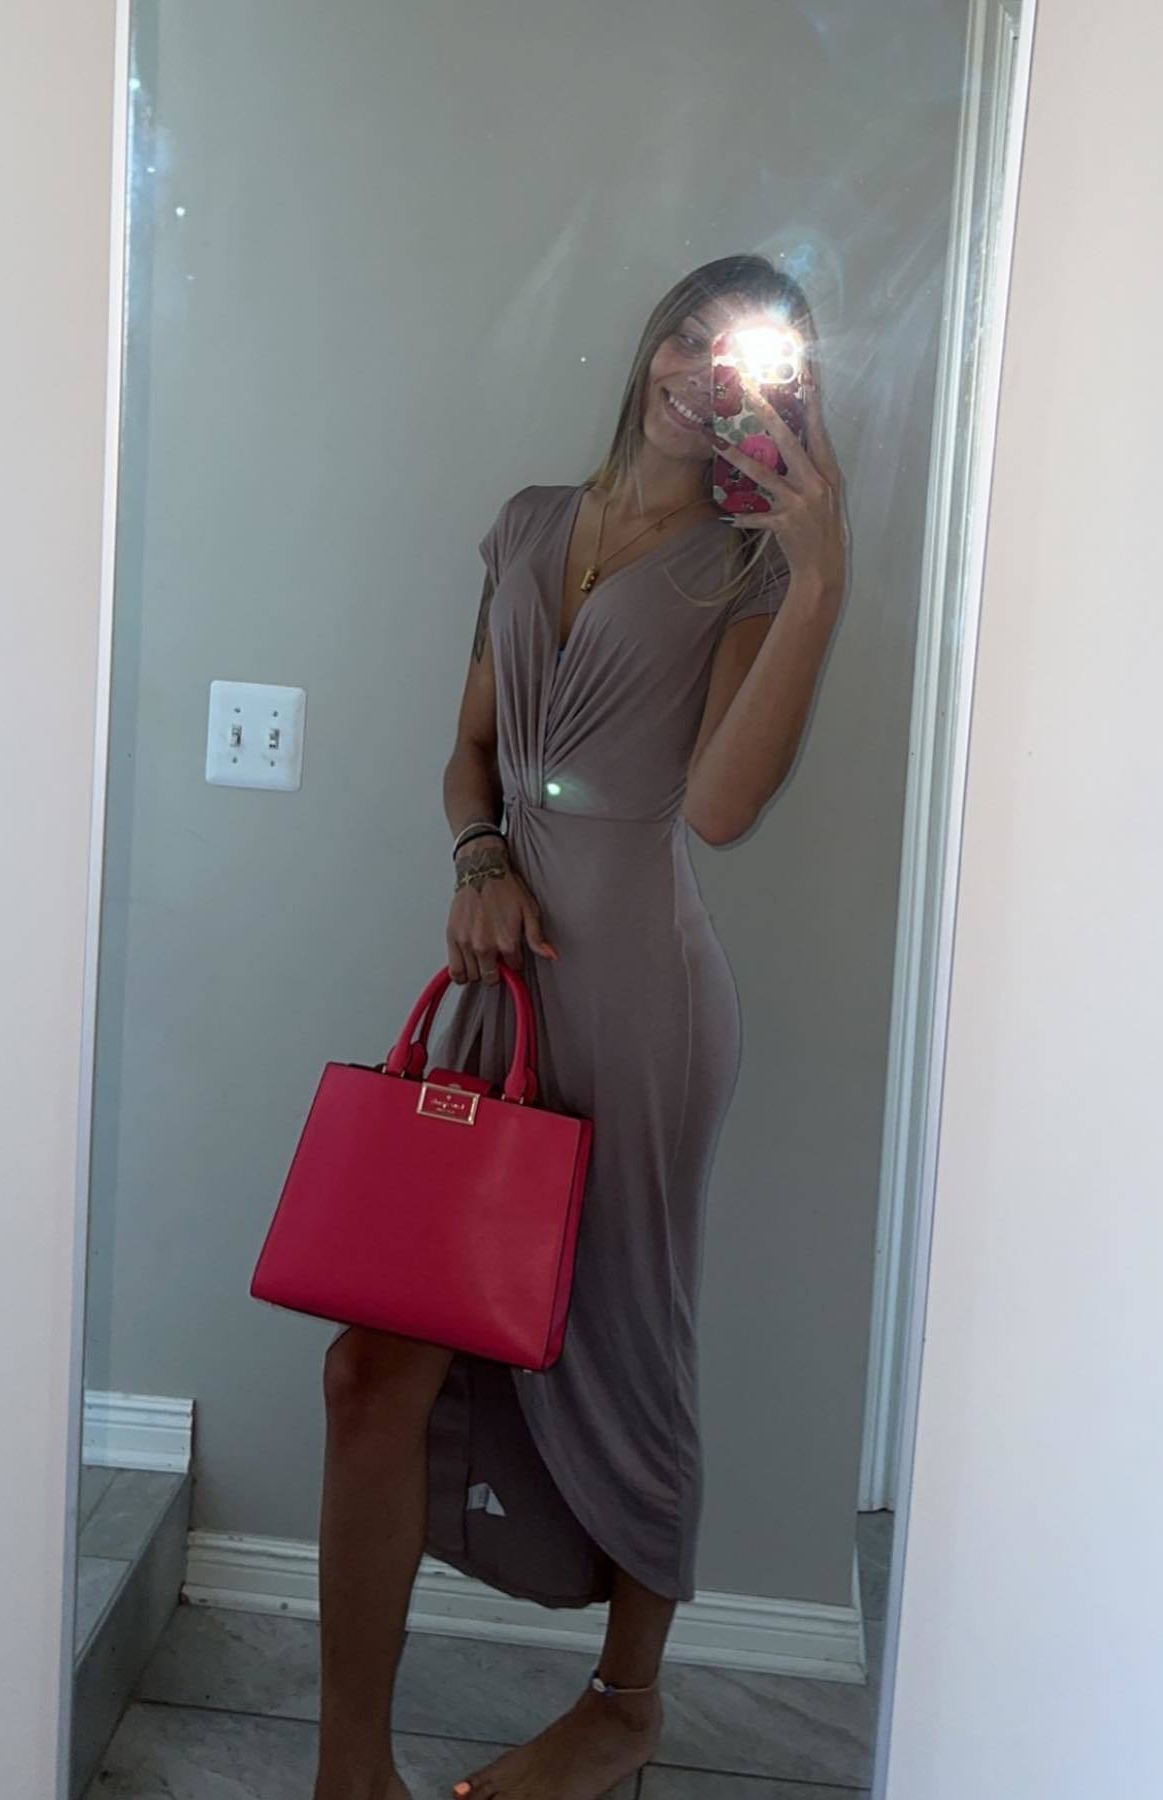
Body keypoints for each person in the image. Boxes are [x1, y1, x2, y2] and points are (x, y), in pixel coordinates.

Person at [311, 254, 849, 1800]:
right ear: (652, 344)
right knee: (374, 1364)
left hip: (641, 998)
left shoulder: (748, 569)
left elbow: (722, 809)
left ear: (783, 396)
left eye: (745, 355)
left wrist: (820, 576)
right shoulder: (532, 521)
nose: (703, 368)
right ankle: (349, 1772)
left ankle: (625, 1705)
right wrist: (478, 858)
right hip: (501, 985)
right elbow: (470, 750)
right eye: (691, 332)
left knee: (627, 1341)